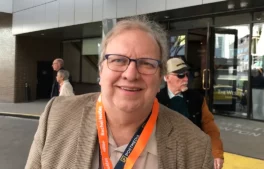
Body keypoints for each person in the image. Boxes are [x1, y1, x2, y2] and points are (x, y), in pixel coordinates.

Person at [25, 16, 213, 169]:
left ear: (160, 78)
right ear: (101, 70)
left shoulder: (195, 147)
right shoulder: (56, 116)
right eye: (118, 60)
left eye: (146, 63)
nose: (130, 75)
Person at [157, 57, 224, 169]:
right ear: (166, 77)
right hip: (164, 156)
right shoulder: (156, 100)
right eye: (180, 75)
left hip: (193, 154)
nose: (186, 79)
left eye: (187, 74)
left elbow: (210, 128)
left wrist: (217, 154)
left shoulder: (197, 99)